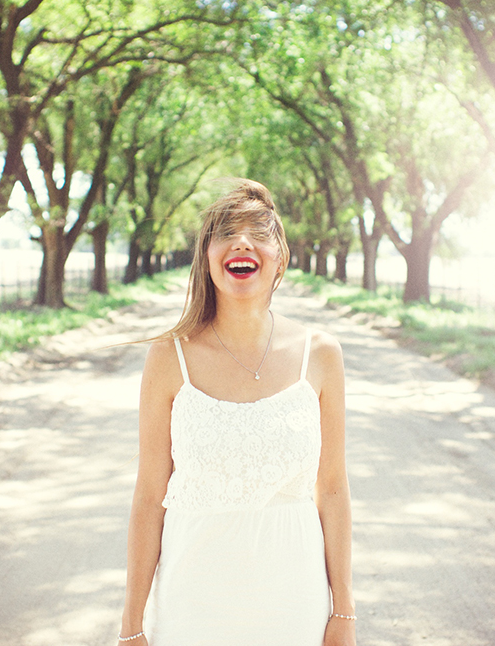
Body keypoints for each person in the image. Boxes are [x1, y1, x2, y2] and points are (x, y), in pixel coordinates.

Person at [116, 179, 357, 646]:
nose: (242, 241)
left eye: (257, 233)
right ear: (208, 258)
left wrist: (343, 611)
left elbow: (332, 489)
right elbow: (149, 495)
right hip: (192, 603)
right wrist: (131, 625)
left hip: (295, 601)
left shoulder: (321, 354)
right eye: (226, 232)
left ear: (280, 257)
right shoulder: (170, 358)